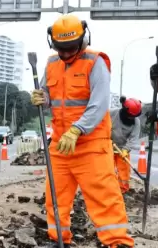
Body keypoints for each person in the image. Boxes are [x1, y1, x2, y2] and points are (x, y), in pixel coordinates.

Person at [31, 14, 134, 248]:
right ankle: (59, 240)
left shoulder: (95, 62)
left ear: (83, 39)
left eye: (71, 48)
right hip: (60, 144)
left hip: (91, 146)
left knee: (104, 198)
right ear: (53, 43)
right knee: (56, 197)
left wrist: (77, 129)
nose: (66, 53)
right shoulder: (51, 64)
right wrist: (42, 98)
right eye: (61, 48)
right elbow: (51, 98)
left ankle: (117, 243)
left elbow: (98, 104)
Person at [110, 96, 142, 194]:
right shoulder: (111, 113)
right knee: (107, 170)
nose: (133, 118)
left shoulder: (136, 122)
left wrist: (126, 149)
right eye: (131, 116)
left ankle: (122, 190)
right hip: (108, 146)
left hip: (122, 149)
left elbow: (133, 138)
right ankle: (108, 189)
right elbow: (101, 125)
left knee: (124, 172)